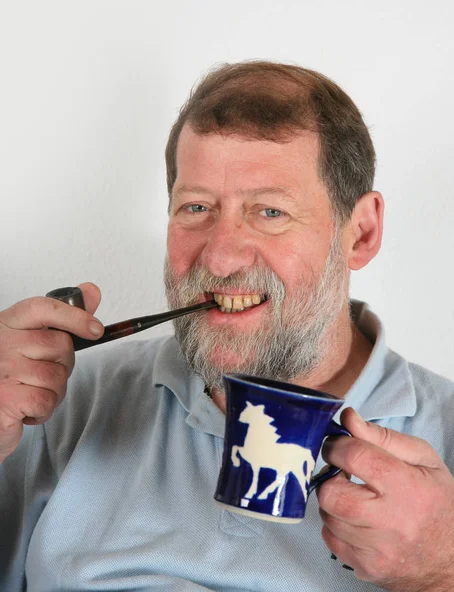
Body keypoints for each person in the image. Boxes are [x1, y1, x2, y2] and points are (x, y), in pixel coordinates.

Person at [1, 60, 453, 592]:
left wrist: (440, 568)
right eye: (196, 207)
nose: (219, 257)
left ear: (361, 233)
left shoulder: (444, 437)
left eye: (269, 212)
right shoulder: (57, 404)